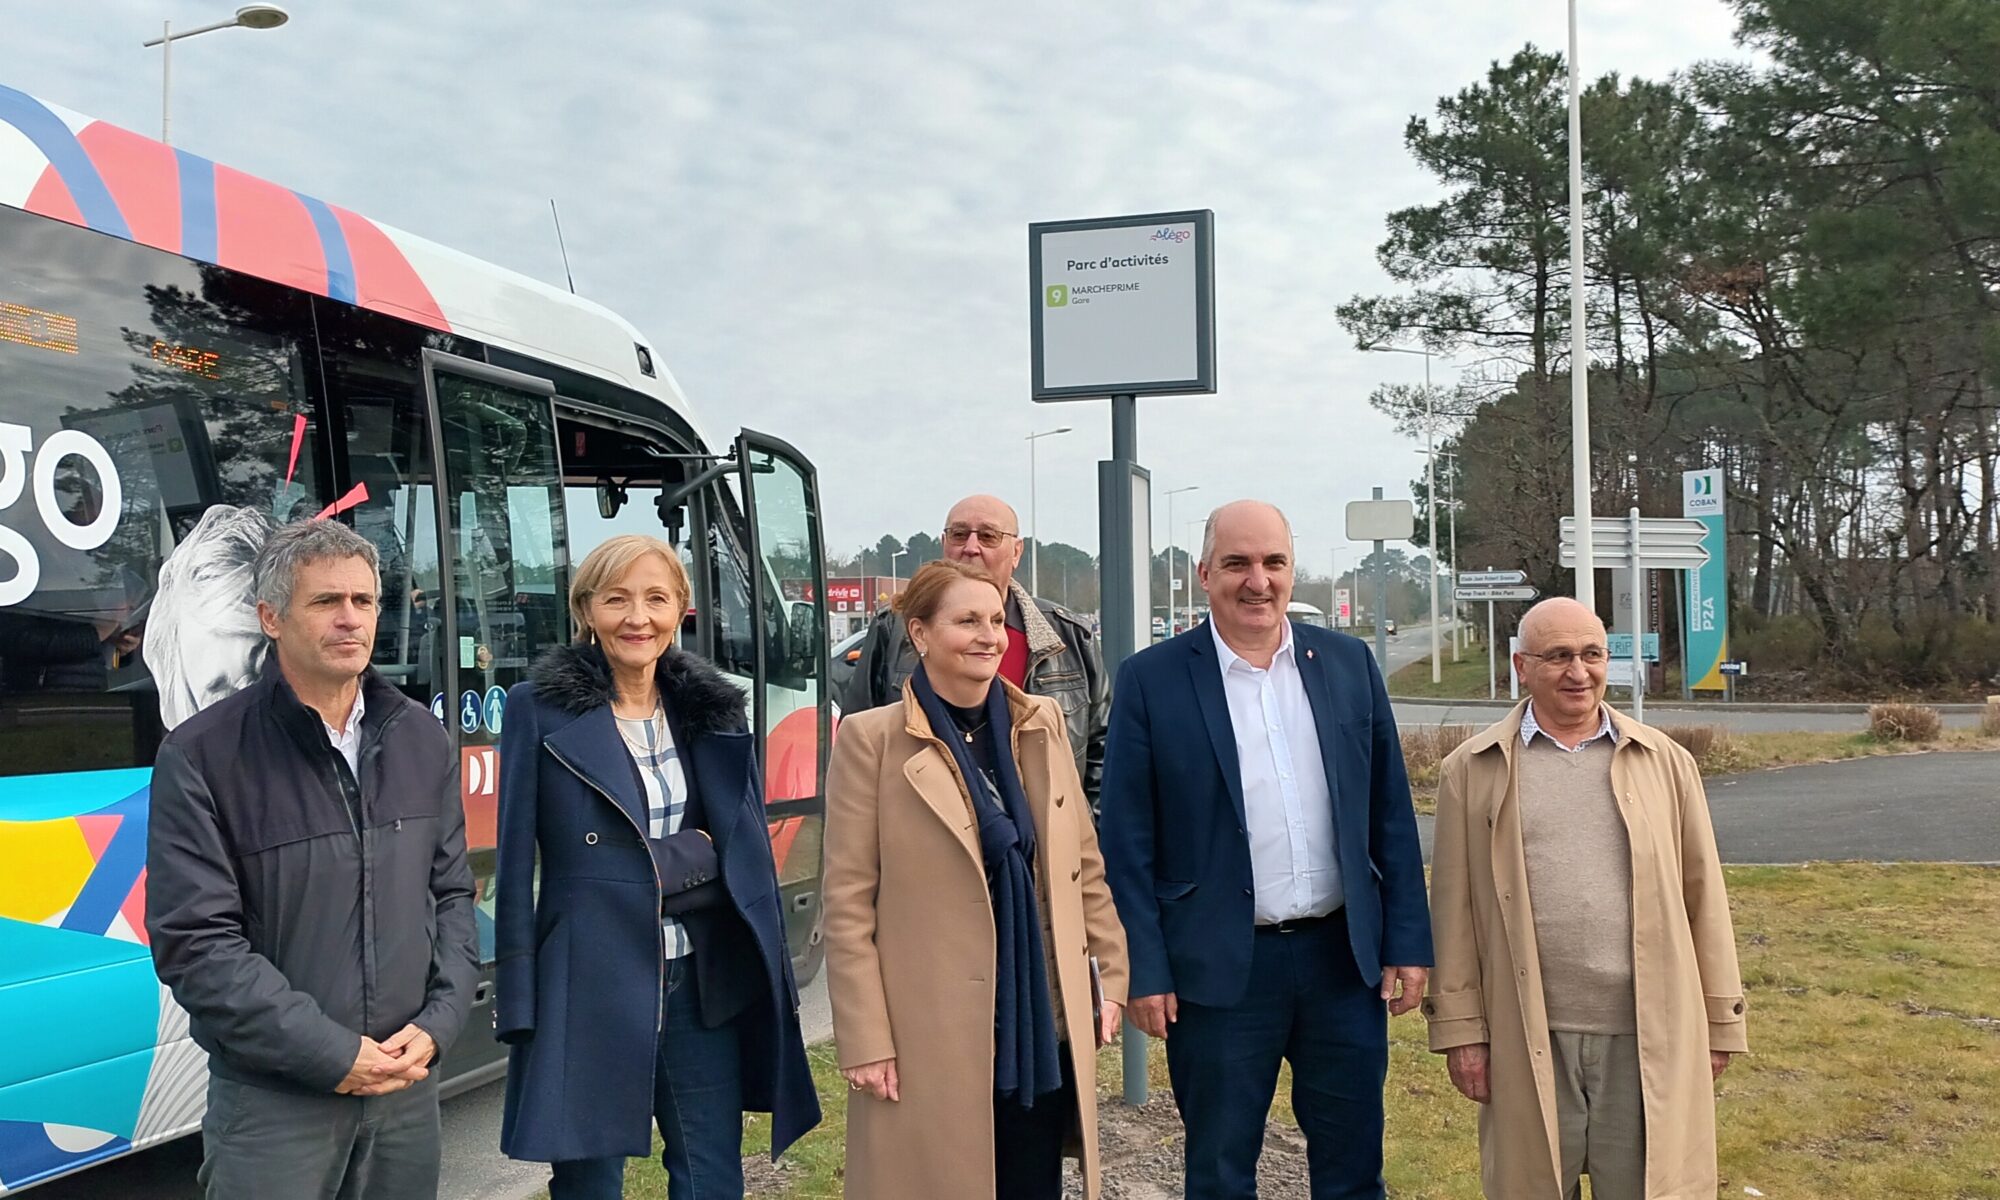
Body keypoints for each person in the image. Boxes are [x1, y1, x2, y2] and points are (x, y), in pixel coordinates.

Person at [1098, 500, 1433, 1200]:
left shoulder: (1347, 664)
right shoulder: (1151, 680)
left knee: (1352, 1168)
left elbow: (1389, 815)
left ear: (1291, 569)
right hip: (1217, 970)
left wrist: (1407, 940)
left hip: (1341, 963)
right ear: (1203, 574)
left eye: (1273, 563)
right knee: (1219, 1172)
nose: (1258, 581)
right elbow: (1126, 841)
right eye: (1238, 564)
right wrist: (1142, 968)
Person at [146, 518, 479, 1200]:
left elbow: (450, 894)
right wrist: (333, 1056)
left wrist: (441, 1021)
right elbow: (197, 944)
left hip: (405, 1093)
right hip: (276, 1104)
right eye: (326, 602)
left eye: (363, 601)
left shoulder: (420, 737)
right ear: (270, 616)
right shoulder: (202, 755)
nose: (349, 619)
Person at [494, 534, 819, 1199]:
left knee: (710, 1178)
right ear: (586, 608)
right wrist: (519, 999)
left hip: (702, 982)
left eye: (655, 598)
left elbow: (742, 853)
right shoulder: (539, 709)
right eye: (617, 599)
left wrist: (657, 867)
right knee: (589, 1186)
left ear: (681, 608)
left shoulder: (712, 711)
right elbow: (514, 855)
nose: (637, 618)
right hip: (586, 981)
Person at [824, 559, 1129, 1200]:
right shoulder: (870, 741)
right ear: (921, 634)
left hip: (1036, 1021)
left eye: (995, 620)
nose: (988, 635)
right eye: (966, 621)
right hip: (927, 1027)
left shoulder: (1040, 723)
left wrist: (1109, 979)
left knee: (1030, 1181)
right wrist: (866, 1039)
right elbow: (849, 906)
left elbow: (1083, 866)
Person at [1424, 597, 1747, 1199]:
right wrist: (1463, 1031)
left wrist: (1720, 1022)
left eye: (1592, 654)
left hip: (1647, 1035)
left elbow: (1705, 899)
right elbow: (1454, 912)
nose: (1579, 672)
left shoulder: (1665, 764)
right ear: (1521, 666)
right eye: (1559, 656)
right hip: (1526, 1038)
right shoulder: (1472, 770)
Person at [840, 494, 1108, 809]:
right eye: (958, 534)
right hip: (925, 836)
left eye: (988, 536)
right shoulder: (893, 629)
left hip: (1043, 843)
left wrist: (1082, 842)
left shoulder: (1070, 637)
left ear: (1016, 552)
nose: (970, 547)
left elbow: (1102, 758)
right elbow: (855, 753)